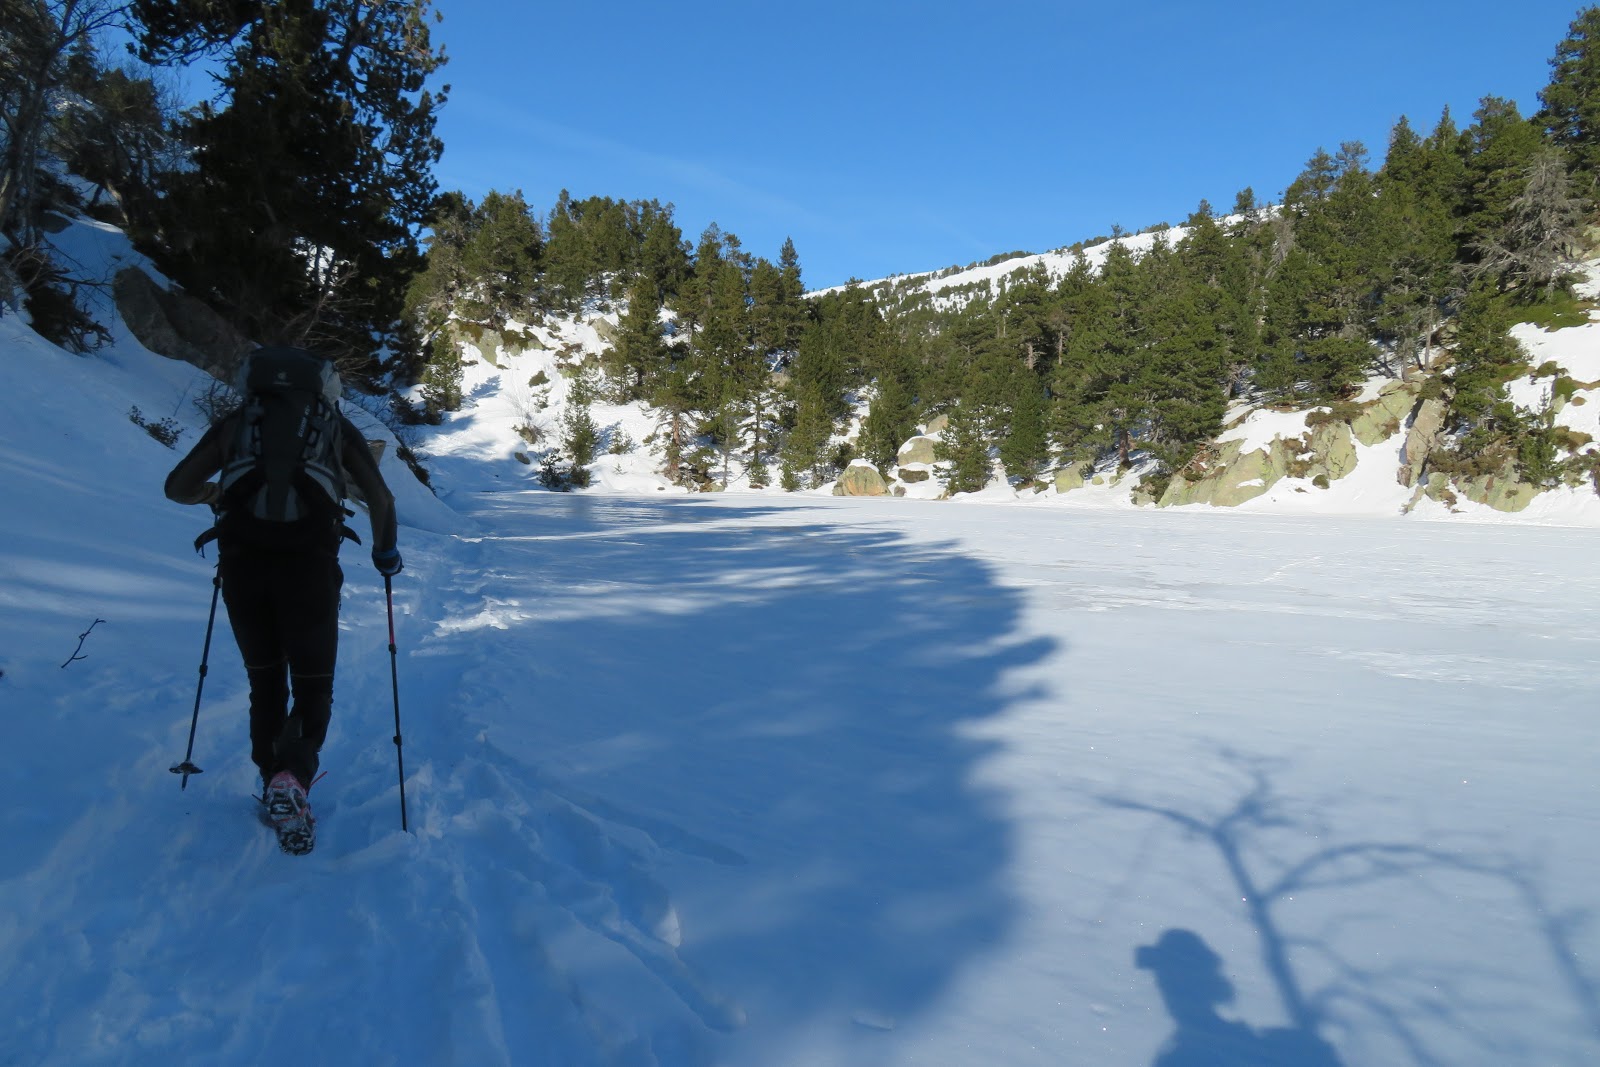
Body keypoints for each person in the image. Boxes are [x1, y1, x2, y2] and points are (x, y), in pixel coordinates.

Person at [165, 345, 401, 853]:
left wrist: (217, 498)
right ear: (324, 387)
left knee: (265, 682)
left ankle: (273, 777)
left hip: (243, 570)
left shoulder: (237, 423)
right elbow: (381, 500)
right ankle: (291, 778)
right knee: (313, 685)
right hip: (310, 573)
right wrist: (386, 557)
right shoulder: (334, 427)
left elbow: (177, 486)